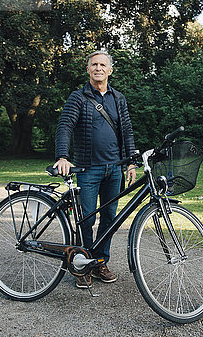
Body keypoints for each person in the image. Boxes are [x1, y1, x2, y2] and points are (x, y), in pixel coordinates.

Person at [54, 49, 137, 289]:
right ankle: (83, 265)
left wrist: (130, 161)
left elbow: (127, 131)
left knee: (110, 218)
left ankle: (100, 262)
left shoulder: (118, 98)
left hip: (115, 170)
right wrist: (62, 156)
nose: (98, 68)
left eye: (103, 64)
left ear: (110, 70)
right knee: (86, 219)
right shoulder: (77, 97)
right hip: (88, 170)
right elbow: (65, 126)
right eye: (94, 64)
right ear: (88, 69)